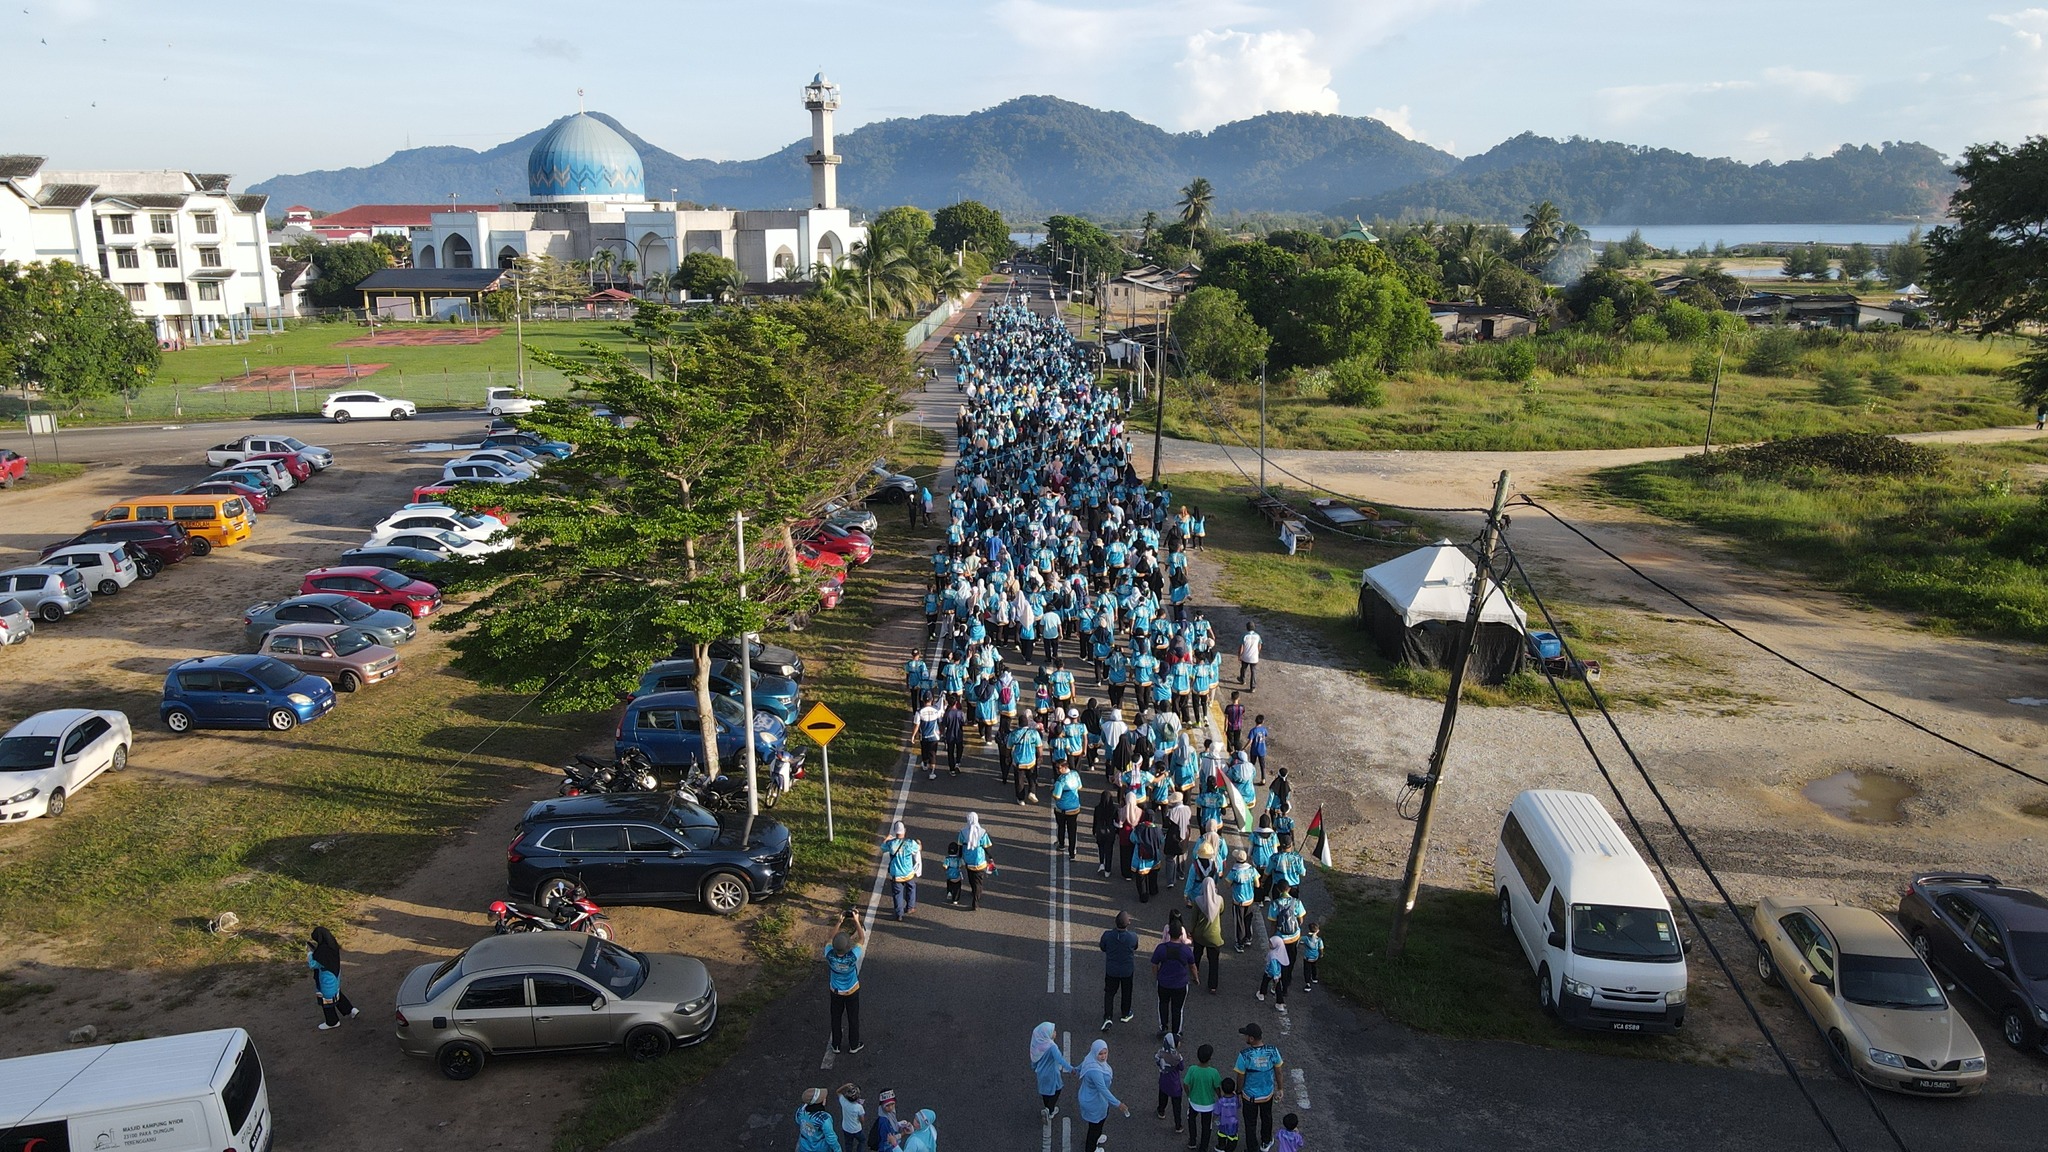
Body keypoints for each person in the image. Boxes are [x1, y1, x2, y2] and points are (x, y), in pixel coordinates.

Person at [1233, 1024, 1285, 1152]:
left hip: (1249, 1097)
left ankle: (1252, 1148)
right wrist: (1280, 1088)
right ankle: (1266, 1142)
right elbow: (1278, 1072)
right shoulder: (1273, 1051)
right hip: (1267, 1095)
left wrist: (1238, 1091)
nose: (1244, 1037)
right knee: (1267, 1118)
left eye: (1246, 1035)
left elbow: (1240, 1076)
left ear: (1251, 1038)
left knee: (1250, 1123)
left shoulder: (1244, 1055)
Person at [825, 914, 867, 1054]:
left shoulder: (829, 955)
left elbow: (829, 939)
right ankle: (854, 1045)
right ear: (848, 946)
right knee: (853, 1018)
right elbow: (861, 939)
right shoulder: (852, 956)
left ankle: (836, 1045)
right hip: (851, 990)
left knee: (836, 1018)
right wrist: (856, 921)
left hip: (835, 991)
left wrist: (839, 921)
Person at [1077, 1040, 1130, 1151]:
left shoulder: (1090, 1059)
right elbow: (1103, 1089)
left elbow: (1081, 1066)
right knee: (1095, 1127)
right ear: (1095, 1053)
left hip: (1091, 1098)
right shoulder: (1095, 1071)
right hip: (1094, 1102)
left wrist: (1074, 1070)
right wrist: (1118, 1104)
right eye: (1100, 1054)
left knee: (1098, 1123)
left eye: (1105, 1053)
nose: (1103, 1056)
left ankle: (1096, 1137)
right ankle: (1091, 1148)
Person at [307, 926, 358, 1030]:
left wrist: (309, 954)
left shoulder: (322, 952)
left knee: (326, 1000)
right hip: (335, 976)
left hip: (326, 980)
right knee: (336, 994)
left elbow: (313, 964)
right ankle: (350, 1010)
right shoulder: (332, 946)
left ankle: (332, 1022)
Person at [1152, 924, 1196, 1038]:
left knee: (1163, 1004)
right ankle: (1176, 1032)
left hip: (1163, 983)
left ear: (1169, 934)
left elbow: (1154, 964)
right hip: (1180, 984)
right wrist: (1196, 978)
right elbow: (1192, 966)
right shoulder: (1186, 950)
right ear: (1181, 935)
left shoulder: (1161, 948)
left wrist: (1157, 976)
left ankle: (1163, 1027)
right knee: (1178, 1008)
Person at [1099, 910, 1139, 1029]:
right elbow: (1135, 947)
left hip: (1112, 970)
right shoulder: (1132, 936)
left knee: (1109, 993)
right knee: (1126, 992)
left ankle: (1108, 1017)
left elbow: (1103, 947)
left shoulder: (1107, 935)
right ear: (1128, 924)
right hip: (1127, 970)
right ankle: (1125, 1013)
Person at [1030, 1021, 1076, 1119]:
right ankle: (1049, 1110)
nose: (1055, 1032)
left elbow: (1034, 1059)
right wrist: (1070, 1069)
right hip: (1052, 1073)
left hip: (1041, 1073)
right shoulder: (1051, 1047)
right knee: (1057, 1089)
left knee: (1045, 1092)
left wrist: (1034, 1067)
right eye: (1053, 1031)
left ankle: (1047, 1108)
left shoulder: (1038, 1044)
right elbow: (1060, 1059)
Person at [1182, 1043, 1223, 1152]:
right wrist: (1220, 1097)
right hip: (1208, 1105)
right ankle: (1203, 1147)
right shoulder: (1213, 1072)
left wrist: (1189, 1094)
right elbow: (1217, 1087)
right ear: (1210, 1058)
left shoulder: (1192, 1069)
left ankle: (1192, 1141)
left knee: (1191, 1119)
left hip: (1194, 1102)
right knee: (1206, 1126)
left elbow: (1185, 1083)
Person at [881, 822, 921, 921]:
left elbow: (883, 848)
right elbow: (918, 848)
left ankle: (899, 914)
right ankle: (910, 907)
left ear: (895, 832)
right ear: (905, 831)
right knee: (911, 888)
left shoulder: (891, 843)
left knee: (897, 893)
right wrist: (919, 843)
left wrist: (886, 839)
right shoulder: (910, 843)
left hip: (896, 875)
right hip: (908, 873)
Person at [959, 812, 995, 910]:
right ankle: (975, 901)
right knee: (978, 882)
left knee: (971, 878)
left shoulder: (962, 832)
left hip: (968, 861)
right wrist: (990, 857)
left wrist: (960, 857)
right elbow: (986, 846)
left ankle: (973, 890)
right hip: (979, 861)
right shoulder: (982, 832)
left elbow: (960, 846)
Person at [1226, 849, 1260, 952]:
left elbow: (1228, 884)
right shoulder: (1252, 870)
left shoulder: (1234, 872)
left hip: (1238, 901)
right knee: (1248, 919)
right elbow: (1257, 884)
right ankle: (1248, 938)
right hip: (1249, 899)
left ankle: (1239, 943)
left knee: (1239, 922)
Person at [1052, 760, 1084, 859]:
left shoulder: (1061, 780)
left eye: (1058, 768)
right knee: (1072, 830)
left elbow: (1057, 796)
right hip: (1074, 808)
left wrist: (1052, 791)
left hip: (1062, 809)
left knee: (1061, 827)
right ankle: (1072, 852)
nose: (1057, 770)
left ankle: (1061, 844)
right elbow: (1080, 787)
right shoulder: (1075, 774)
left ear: (1064, 767)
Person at [1155, 1033, 1186, 1133]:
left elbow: (1157, 1061)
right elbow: (1181, 1067)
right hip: (1174, 1084)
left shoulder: (1161, 1053)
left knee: (1162, 1097)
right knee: (1176, 1106)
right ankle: (1178, 1125)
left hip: (1163, 1080)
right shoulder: (1177, 1057)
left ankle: (1161, 1111)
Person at [797, 1088, 840, 1152]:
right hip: (820, 1148)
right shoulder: (824, 1118)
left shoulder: (800, 1110)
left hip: (803, 1146)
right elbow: (830, 1138)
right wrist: (838, 1150)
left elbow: (798, 1121)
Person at [1091, 790, 1120, 878]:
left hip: (1100, 831)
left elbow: (1095, 821)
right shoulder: (1114, 809)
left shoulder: (1097, 808)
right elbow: (1117, 821)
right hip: (1110, 832)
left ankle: (1101, 863)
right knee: (1109, 850)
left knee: (1101, 847)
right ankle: (1108, 869)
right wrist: (1117, 832)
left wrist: (1094, 831)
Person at [1256, 933, 1288, 1008]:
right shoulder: (1281, 952)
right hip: (1278, 973)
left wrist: (1275, 975)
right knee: (1278, 987)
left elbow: (1273, 966)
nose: (1269, 944)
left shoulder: (1273, 954)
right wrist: (1277, 975)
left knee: (1265, 982)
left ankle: (1262, 994)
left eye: (1271, 943)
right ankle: (1280, 1002)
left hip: (1269, 972)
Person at [915, 698, 943, 781]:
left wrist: (913, 735)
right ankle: (932, 773)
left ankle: (925, 764)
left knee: (924, 750)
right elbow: (940, 722)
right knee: (932, 754)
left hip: (924, 736)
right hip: (934, 736)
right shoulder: (936, 710)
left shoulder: (919, 712)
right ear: (932, 700)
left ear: (923, 700)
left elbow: (916, 725)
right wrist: (941, 732)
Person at [1212, 1077, 1242, 1152]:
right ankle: (1230, 1148)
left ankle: (1221, 1146)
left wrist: (1213, 1119)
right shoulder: (1235, 1099)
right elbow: (1239, 1106)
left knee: (1221, 1135)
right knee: (1233, 1136)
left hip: (1223, 1123)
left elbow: (1216, 1113)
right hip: (1233, 1123)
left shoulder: (1220, 1101)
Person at [940, 696, 967, 777]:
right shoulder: (960, 713)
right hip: (959, 734)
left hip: (950, 735)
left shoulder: (947, 714)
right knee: (960, 749)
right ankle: (957, 762)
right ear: (956, 703)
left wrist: (941, 734)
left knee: (950, 752)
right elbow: (963, 723)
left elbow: (944, 725)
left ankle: (952, 769)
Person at [837, 1084, 867, 1152]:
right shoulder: (859, 1107)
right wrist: (862, 1123)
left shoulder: (843, 1101)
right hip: (857, 1129)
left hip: (846, 1128)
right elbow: (862, 1119)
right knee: (862, 1140)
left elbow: (838, 1092)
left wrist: (845, 1086)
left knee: (848, 1144)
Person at [1236, 624, 1260, 689]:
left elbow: (1241, 647)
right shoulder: (1257, 636)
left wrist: (1239, 655)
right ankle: (1253, 687)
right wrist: (1257, 652)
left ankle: (1242, 679)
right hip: (1254, 657)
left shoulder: (1245, 636)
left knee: (1243, 668)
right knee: (1253, 671)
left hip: (1245, 656)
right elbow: (1259, 645)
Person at [1301, 922, 1323, 991]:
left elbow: (1299, 939)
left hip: (1307, 957)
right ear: (1317, 931)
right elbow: (1321, 948)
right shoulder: (1319, 940)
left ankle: (1307, 983)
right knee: (1314, 967)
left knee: (1307, 970)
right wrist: (1321, 954)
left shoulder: (1306, 938)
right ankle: (1314, 978)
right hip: (1315, 957)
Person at [1245, 716, 1270, 780]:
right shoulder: (1264, 729)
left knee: (1252, 764)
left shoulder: (1253, 730)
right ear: (1263, 721)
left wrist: (1244, 748)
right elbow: (1266, 735)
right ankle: (1263, 779)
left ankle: (1250, 778)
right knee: (1262, 765)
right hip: (1262, 750)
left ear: (1255, 721)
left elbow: (1250, 741)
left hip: (1254, 750)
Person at [942, 841, 965, 906]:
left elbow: (945, 866)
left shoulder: (947, 859)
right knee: (957, 888)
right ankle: (955, 900)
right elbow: (962, 865)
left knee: (950, 885)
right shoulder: (958, 859)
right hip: (957, 876)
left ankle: (949, 892)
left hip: (949, 876)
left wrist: (946, 869)